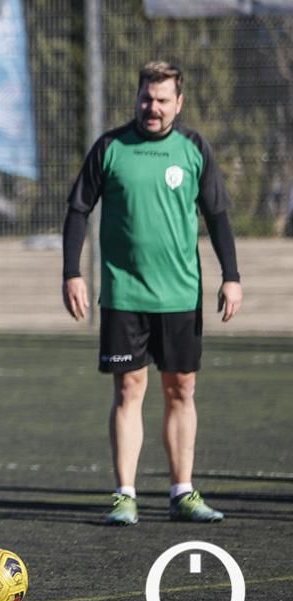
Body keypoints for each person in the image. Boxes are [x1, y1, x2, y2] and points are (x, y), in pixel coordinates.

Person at [62, 60, 242, 526]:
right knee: (129, 389)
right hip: (124, 295)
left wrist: (232, 276)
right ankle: (125, 494)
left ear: (178, 103)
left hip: (180, 294)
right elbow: (79, 210)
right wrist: (72, 273)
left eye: (163, 100)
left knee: (181, 389)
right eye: (146, 98)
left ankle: (182, 492)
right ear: (136, 98)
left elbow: (218, 216)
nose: (153, 108)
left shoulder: (193, 148)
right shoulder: (111, 147)